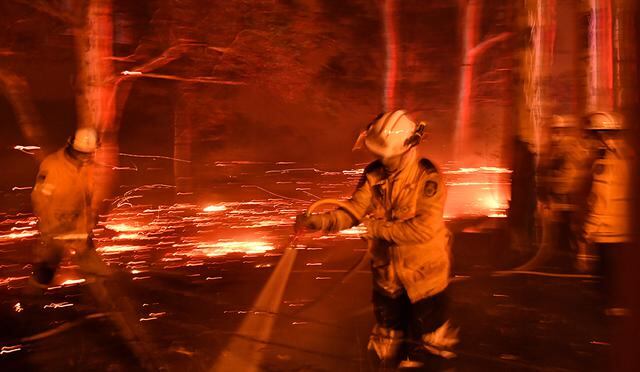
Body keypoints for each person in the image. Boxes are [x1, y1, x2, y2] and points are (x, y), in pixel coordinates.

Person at [295, 110, 458, 367]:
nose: (380, 159)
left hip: (425, 282)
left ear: (406, 150)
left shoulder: (428, 178)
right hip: (388, 283)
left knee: (426, 351)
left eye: (385, 155)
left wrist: (375, 228)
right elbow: (354, 211)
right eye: (377, 154)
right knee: (386, 350)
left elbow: (422, 230)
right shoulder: (374, 175)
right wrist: (322, 222)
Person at [30, 127, 110, 287]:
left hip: (79, 229)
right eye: (83, 153)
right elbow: (39, 197)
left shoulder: (88, 167)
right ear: (71, 148)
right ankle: (31, 303)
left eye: (89, 153)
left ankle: (107, 302)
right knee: (44, 274)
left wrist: (90, 218)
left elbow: (87, 198)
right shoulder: (53, 165)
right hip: (55, 229)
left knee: (99, 274)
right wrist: (50, 225)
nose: (87, 157)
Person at [580, 111, 633, 316]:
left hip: (608, 233)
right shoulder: (629, 158)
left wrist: (587, 232)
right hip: (626, 231)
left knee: (608, 282)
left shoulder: (605, 165)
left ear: (601, 136)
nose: (590, 143)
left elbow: (601, 202)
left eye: (592, 137)